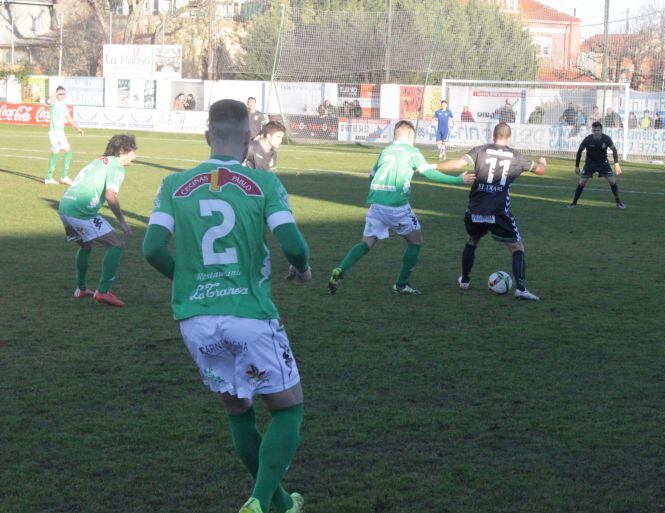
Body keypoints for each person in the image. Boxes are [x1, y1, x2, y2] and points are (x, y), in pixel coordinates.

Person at [142, 99, 309, 513]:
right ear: (249, 139)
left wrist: (191, 282)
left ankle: (282, 504)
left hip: (196, 320)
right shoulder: (265, 184)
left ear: (206, 136)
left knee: (238, 412)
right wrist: (302, 269)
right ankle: (256, 499)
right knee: (289, 409)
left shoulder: (172, 184)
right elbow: (293, 245)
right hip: (249, 314)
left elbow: (151, 249)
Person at [327, 120, 475, 295]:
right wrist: (458, 180)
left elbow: (371, 176)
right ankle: (401, 285)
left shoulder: (386, 151)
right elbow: (429, 173)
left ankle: (341, 269)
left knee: (367, 242)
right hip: (397, 207)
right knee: (416, 241)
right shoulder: (411, 151)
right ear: (410, 135)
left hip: (376, 205)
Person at [435, 122, 546, 300]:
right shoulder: (516, 157)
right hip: (498, 211)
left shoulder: (480, 150)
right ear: (508, 137)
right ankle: (521, 289)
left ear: (493, 136)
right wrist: (542, 162)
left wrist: (433, 167)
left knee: (472, 240)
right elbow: (540, 170)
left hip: (475, 209)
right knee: (517, 247)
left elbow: (457, 164)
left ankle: (464, 280)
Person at [57, 134, 137, 306]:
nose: (134, 156)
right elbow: (110, 195)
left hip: (65, 207)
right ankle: (103, 292)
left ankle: (81, 288)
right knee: (116, 244)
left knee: (85, 246)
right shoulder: (116, 166)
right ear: (122, 151)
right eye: (132, 151)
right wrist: (122, 221)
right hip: (81, 211)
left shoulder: (99, 160)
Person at [568, 121, 625, 209]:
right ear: (592, 130)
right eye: (594, 130)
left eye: (598, 130)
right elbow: (579, 151)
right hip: (590, 163)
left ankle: (619, 202)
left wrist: (616, 164)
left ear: (601, 130)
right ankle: (574, 203)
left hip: (603, 163)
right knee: (582, 182)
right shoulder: (587, 139)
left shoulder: (606, 139)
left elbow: (614, 150)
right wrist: (577, 166)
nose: (596, 132)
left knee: (612, 181)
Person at [45, 86, 84, 185]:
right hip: (54, 132)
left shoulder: (63, 106)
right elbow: (48, 102)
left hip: (60, 132)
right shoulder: (54, 103)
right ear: (57, 94)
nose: (62, 95)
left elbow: (69, 118)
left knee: (63, 151)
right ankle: (58, 177)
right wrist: (55, 93)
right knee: (62, 151)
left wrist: (77, 128)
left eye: (63, 94)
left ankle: (58, 177)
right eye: (60, 94)